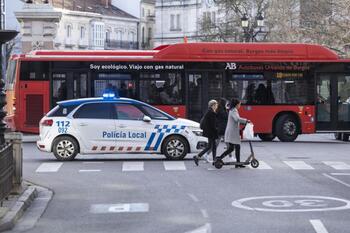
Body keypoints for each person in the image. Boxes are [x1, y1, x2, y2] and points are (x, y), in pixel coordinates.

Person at [216, 98, 250, 168]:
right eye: (239, 104)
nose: (240, 106)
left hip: (231, 132)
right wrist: (246, 121)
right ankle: (237, 163)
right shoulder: (234, 110)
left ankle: (221, 158)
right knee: (237, 146)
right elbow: (237, 119)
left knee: (231, 148)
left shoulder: (233, 110)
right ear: (237, 105)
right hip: (232, 133)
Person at [193, 100, 218, 166]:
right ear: (213, 105)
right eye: (216, 105)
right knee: (211, 146)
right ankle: (198, 156)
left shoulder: (209, 111)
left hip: (209, 132)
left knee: (212, 146)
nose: (216, 106)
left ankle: (213, 160)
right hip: (211, 132)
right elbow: (213, 125)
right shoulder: (211, 113)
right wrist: (217, 130)